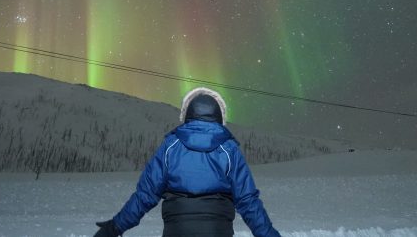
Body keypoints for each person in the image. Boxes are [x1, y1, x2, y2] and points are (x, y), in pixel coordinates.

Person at [95, 87, 281, 237]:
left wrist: (115, 227)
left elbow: (145, 195)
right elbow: (248, 201)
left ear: (187, 115)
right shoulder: (229, 149)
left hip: (176, 230)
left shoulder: (171, 146)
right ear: (219, 117)